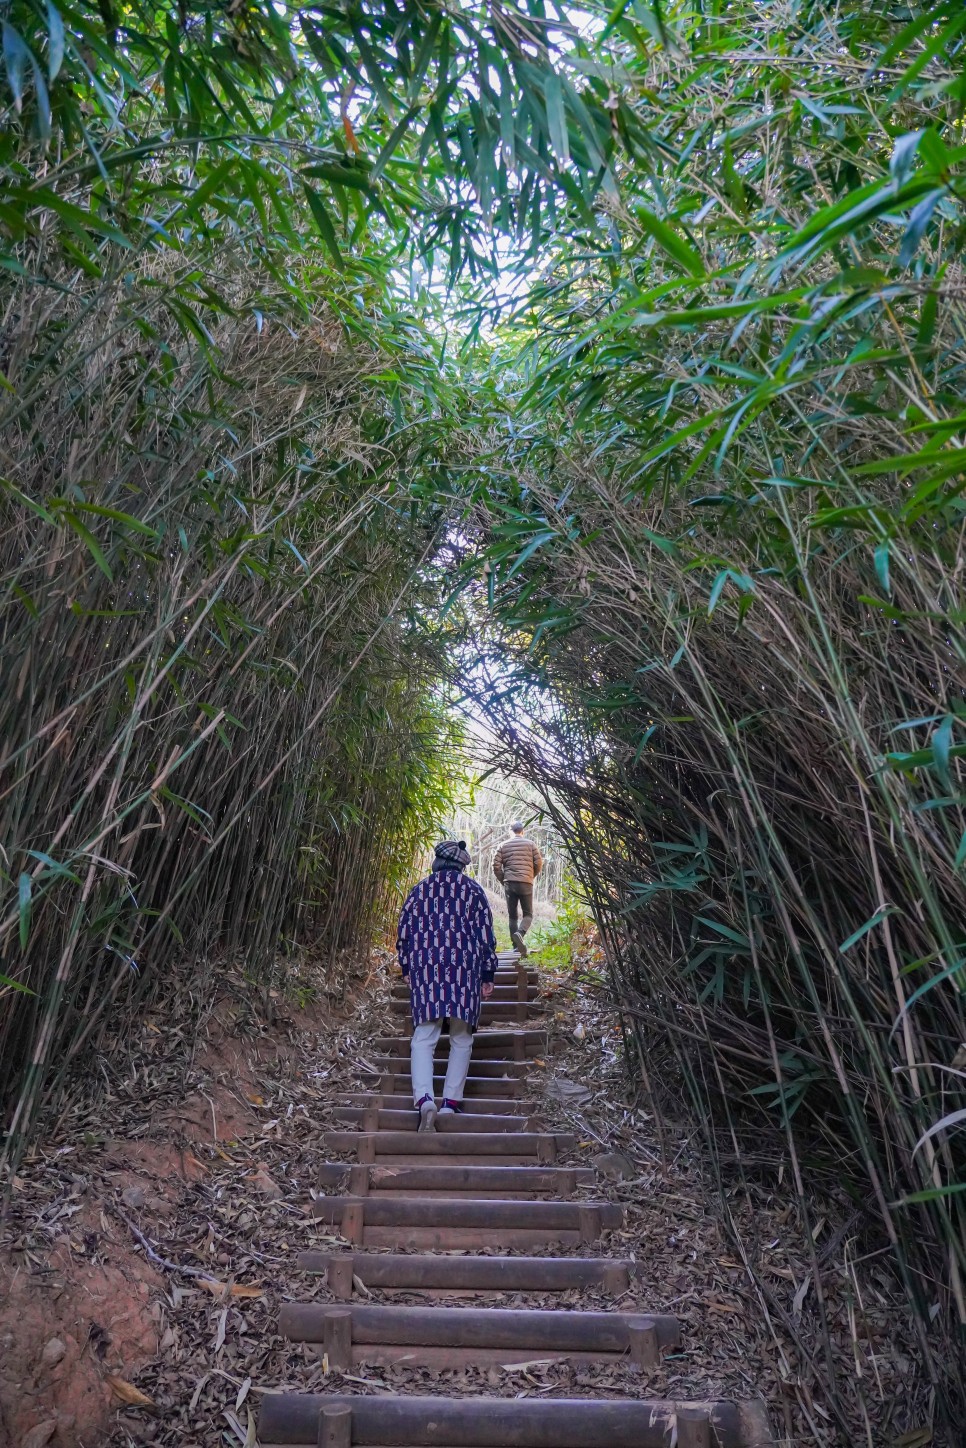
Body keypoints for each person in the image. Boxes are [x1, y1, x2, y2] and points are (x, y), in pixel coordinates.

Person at [396, 839, 498, 1132]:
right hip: (464, 971)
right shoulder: (474, 892)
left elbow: (404, 931)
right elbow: (485, 938)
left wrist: (407, 966)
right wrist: (487, 975)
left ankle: (425, 1099)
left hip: (427, 970)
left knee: (424, 1037)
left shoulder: (419, 891)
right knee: (461, 1037)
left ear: (437, 862)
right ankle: (450, 1103)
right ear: (462, 866)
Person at [492, 821, 543, 958]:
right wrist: (530, 876)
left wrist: (503, 879)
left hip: (510, 883)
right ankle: (520, 934)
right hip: (526, 882)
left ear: (510, 831)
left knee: (513, 915)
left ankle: (515, 947)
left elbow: (496, 865)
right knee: (528, 914)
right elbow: (538, 863)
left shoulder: (503, 845)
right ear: (523, 831)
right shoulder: (531, 844)